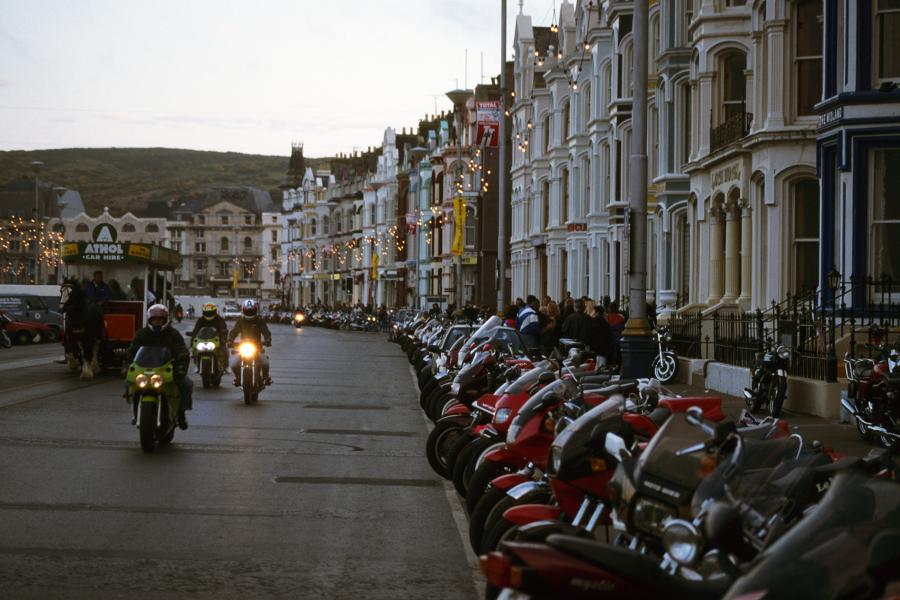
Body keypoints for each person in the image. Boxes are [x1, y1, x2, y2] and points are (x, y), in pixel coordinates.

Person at [125, 304, 192, 429]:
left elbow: (181, 350)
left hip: (166, 369)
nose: (157, 322)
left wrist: (181, 365)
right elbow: (132, 350)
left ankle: (181, 414)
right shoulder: (142, 334)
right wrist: (127, 365)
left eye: (160, 320)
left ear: (165, 320)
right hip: (144, 369)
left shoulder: (173, 334)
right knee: (128, 383)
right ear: (150, 320)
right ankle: (135, 412)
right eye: (154, 320)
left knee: (186, 384)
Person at [228, 299, 273, 387]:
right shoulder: (240, 321)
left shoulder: (259, 321)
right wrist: (230, 340)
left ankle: (265, 377)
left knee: (265, 361)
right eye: (247, 311)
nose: (249, 312)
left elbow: (266, 331)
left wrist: (268, 340)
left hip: (257, 347)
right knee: (233, 364)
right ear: (243, 310)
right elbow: (233, 332)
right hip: (243, 347)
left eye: (251, 311)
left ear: (255, 310)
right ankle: (238, 377)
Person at [191, 303, 229, 372]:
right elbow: (196, 330)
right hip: (203, 340)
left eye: (210, 312)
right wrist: (192, 338)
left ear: (214, 312)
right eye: (207, 312)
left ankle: (226, 366)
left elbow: (224, 329)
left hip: (216, 339)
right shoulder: (201, 320)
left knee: (224, 350)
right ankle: (197, 365)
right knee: (194, 350)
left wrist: (223, 337)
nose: (209, 314)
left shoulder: (219, 319)